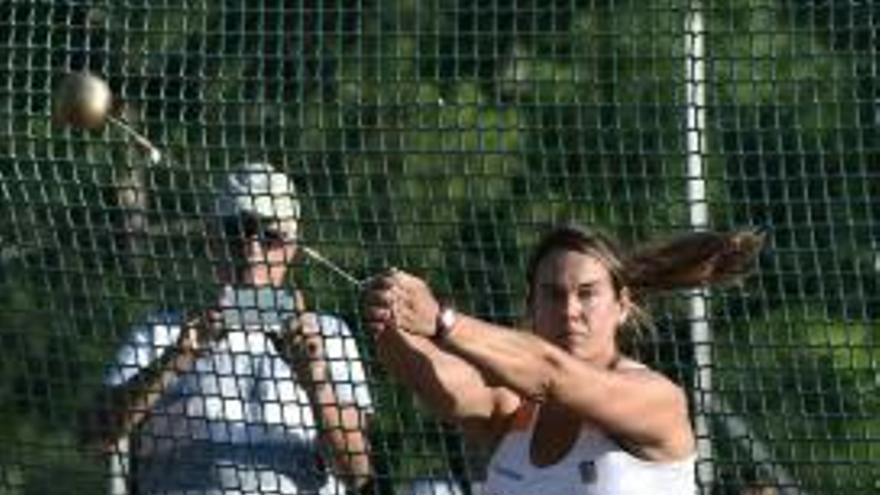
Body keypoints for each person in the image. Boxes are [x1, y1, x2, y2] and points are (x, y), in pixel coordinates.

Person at [362, 224, 763, 495]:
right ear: (531, 305)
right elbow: (435, 380)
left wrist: (441, 320)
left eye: (587, 293)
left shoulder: (656, 400)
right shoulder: (514, 412)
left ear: (622, 306)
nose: (569, 310)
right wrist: (390, 317)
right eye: (553, 295)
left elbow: (552, 373)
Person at [80, 162, 374, 495]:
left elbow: (358, 474)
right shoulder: (161, 333)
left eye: (269, 236)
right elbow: (93, 438)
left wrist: (317, 385)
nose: (251, 251)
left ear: (292, 247)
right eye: (236, 232)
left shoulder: (327, 336)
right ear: (211, 240)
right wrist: (174, 362)